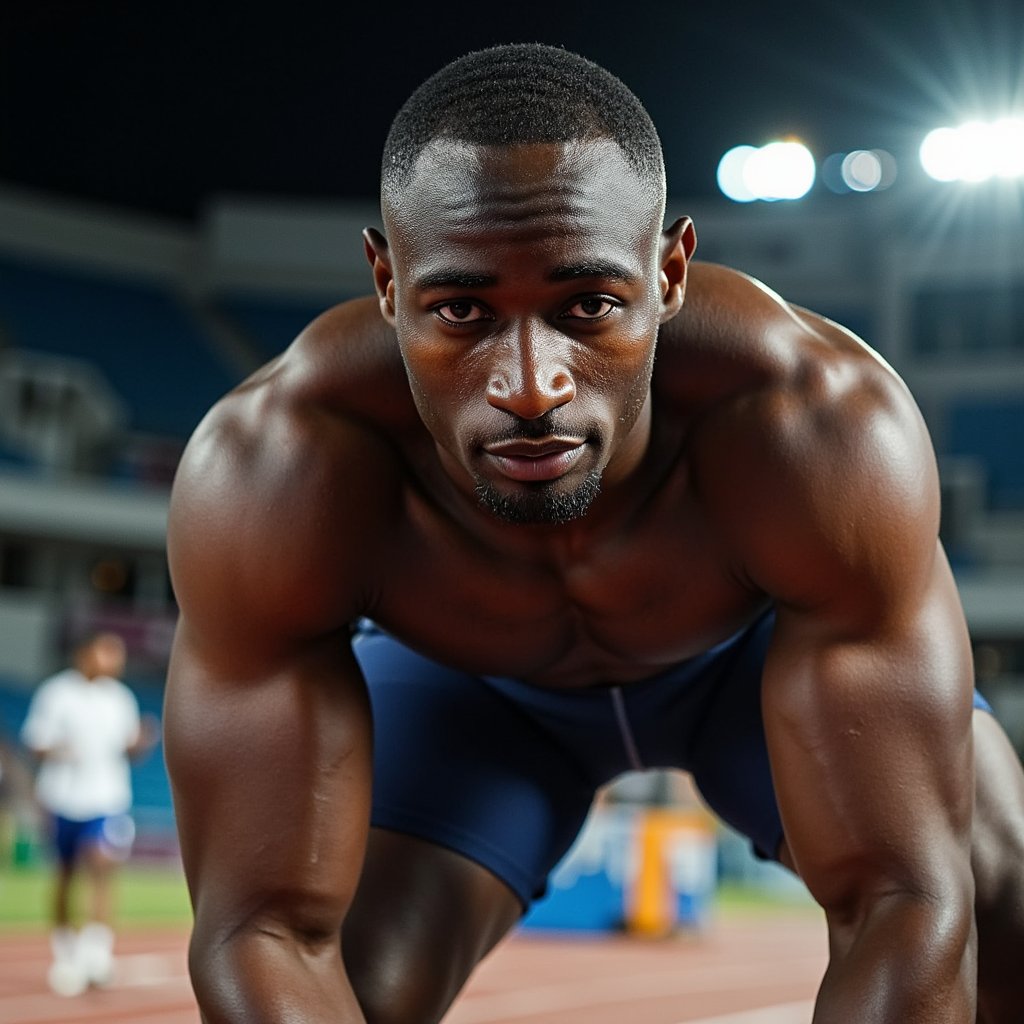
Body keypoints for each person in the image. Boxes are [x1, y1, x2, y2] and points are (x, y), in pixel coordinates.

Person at [164, 43, 1024, 1024]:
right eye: (461, 309)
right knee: (355, 986)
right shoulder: (276, 465)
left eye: (588, 306)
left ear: (669, 273)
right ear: (387, 282)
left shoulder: (813, 424)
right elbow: (262, 930)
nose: (531, 385)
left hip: (747, 656)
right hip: (471, 698)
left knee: (991, 891)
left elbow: (906, 901)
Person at [21, 631, 158, 995]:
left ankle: (96, 953)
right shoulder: (57, 693)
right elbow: (35, 744)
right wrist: (59, 751)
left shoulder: (121, 699)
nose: (114, 662)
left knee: (102, 864)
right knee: (65, 876)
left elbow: (129, 752)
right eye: (106, 654)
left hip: (107, 799)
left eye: (118, 656)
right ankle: (66, 952)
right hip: (63, 799)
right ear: (86, 654)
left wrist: (139, 743)